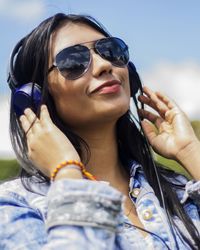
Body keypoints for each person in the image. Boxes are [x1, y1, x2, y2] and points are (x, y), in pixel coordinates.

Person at [0, 13, 199, 250]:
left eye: (111, 51)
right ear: (35, 99)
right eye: (73, 61)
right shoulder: (15, 206)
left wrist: (191, 152)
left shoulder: (179, 189)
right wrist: (67, 172)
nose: (105, 65)